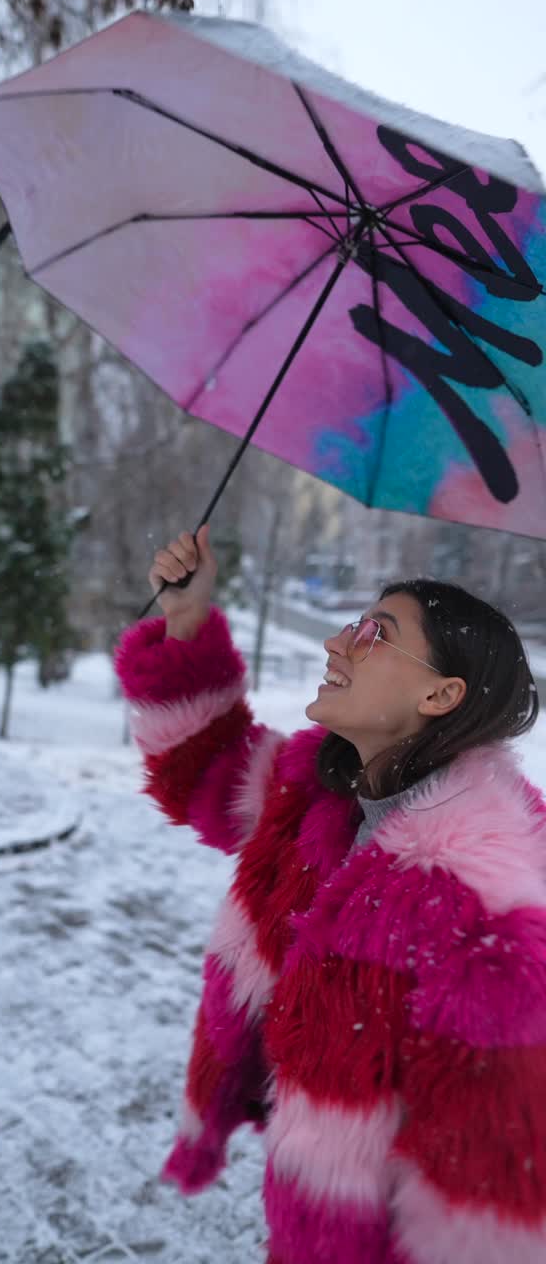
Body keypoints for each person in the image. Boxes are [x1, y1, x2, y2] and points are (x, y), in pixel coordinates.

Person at [114, 525, 546, 1264]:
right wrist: (185, 620)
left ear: (442, 694)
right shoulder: (323, 788)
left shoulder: (487, 908)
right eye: (354, 623)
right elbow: (204, 776)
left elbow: (486, 1206)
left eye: (376, 633)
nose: (337, 644)